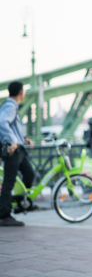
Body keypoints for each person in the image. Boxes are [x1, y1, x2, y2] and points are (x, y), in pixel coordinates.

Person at [0, 81, 38, 227]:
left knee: (29, 174)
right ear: (21, 92)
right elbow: (2, 122)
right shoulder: (10, 106)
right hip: (13, 150)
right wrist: (13, 140)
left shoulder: (11, 105)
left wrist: (23, 139)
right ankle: (4, 215)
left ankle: (20, 203)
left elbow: (11, 126)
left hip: (19, 149)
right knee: (9, 181)